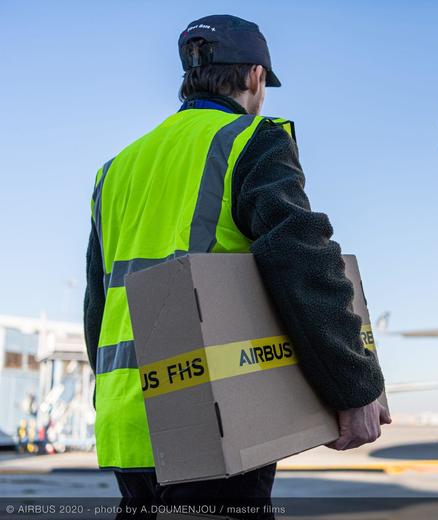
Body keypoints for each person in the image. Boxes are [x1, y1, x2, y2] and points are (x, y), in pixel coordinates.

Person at [84, 14, 390, 501]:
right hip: (209, 419)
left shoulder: (116, 169)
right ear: (254, 76)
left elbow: (97, 307)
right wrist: (354, 386)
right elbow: (302, 263)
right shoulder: (250, 139)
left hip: (126, 423)